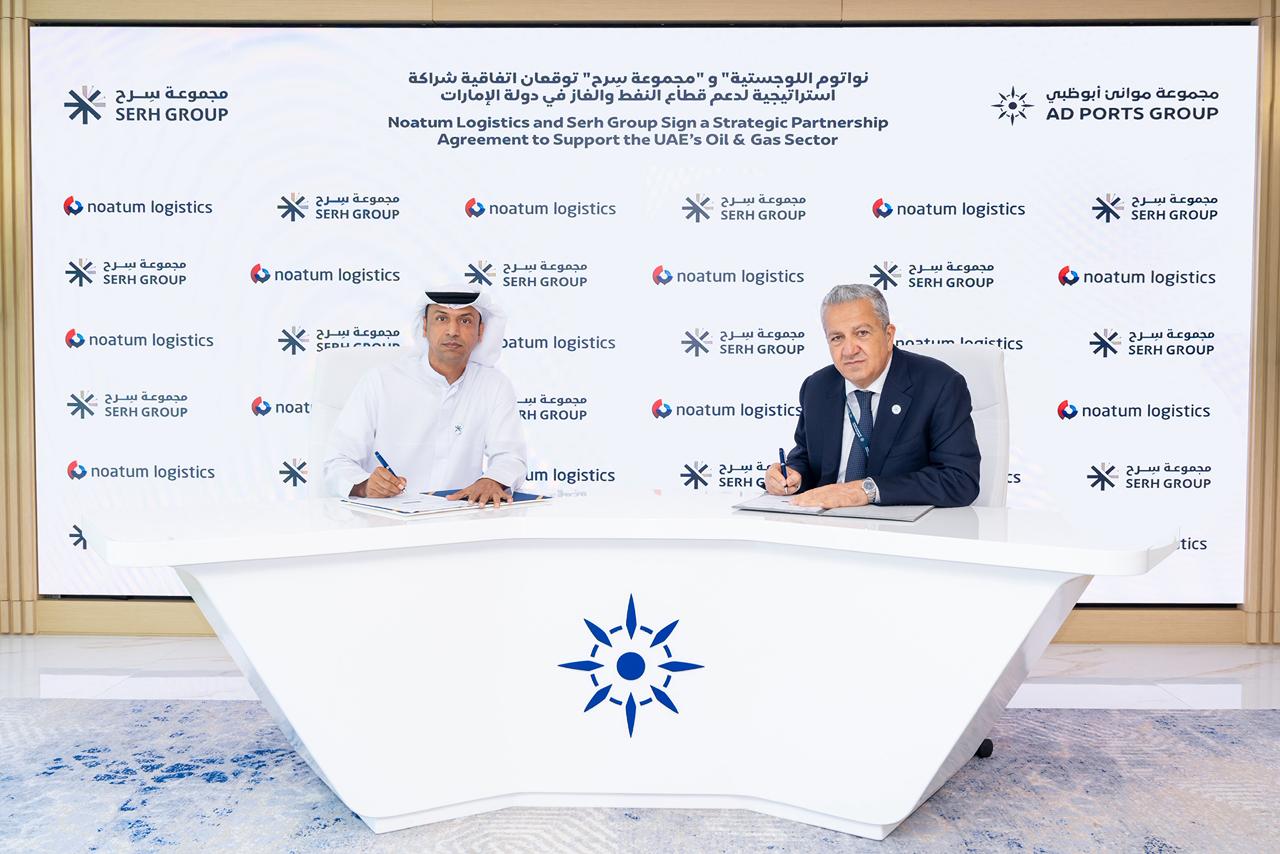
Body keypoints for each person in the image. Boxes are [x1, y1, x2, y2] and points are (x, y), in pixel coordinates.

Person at [764, 284, 980, 508]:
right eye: (837, 338)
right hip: (825, 521)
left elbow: (960, 480)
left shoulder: (939, 384)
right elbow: (806, 458)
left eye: (862, 333)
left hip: (899, 524)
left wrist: (865, 491)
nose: (849, 350)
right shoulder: (817, 387)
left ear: (888, 335)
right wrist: (791, 476)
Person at [323, 286, 527, 507]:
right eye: (441, 318)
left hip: (460, 516)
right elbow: (337, 461)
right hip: (388, 518)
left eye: (465, 321)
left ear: (480, 332)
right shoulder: (380, 381)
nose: (453, 331)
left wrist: (492, 480)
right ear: (424, 327)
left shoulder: (494, 385)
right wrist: (364, 486)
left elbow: (510, 456)